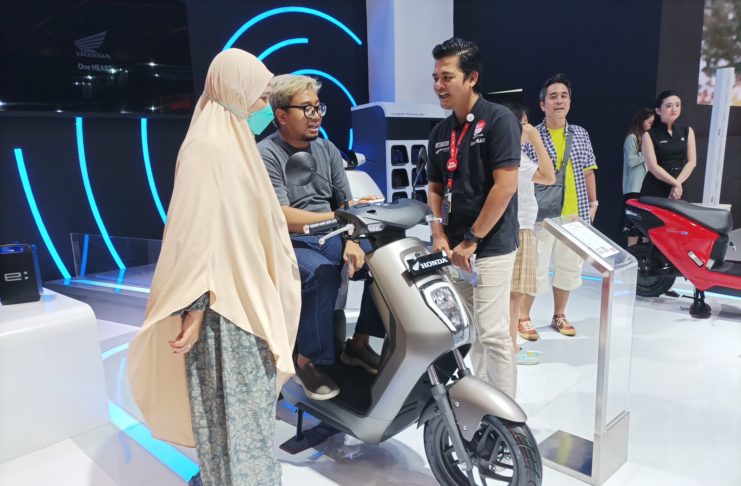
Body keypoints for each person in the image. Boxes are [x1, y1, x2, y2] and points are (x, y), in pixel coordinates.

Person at [126, 49, 301, 486]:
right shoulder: (207, 149)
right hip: (223, 314)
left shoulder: (234, 145)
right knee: (230, 415)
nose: (265, 107)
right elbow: (195, 235)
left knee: (245, 414)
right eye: (260, 96)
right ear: (234, 92)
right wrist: (196, 308)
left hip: (247, 301)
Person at [259, 74, 385, 401]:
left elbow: (344, 202)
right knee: (322, 274)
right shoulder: (267, 153)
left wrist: (353, 237)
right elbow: (283, 216)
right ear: (281, 115)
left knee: (385, 259)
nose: (316, 116)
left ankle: (358, 345)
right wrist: (339, 219)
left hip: (334, 231)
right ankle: (306, 361)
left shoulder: (327, 149)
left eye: (318, 108)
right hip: (291, 240)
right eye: (307, 109)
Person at [427, 37, 521, 398]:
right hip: (454, 247)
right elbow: (435, 188)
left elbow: (505, 186)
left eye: (447, 77)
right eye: (436, 77)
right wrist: (439, 233)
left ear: (472, 78)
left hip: (491, 245)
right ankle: (482, 402)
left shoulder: (499, 120)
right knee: (470, 329)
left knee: (494, 333)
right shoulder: (439, 132)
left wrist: (473, 239)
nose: (439, 85)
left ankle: (506, 417)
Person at [520, 73, 599, 338]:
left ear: (570, 102)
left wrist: (593, 203)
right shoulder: (532, 134)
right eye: (553, 96)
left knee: (569, 268)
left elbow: (589, 170)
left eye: (564, 96)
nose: (559, 101)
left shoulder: (581, 134)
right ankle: (523, 316)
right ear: (542, 104)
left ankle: (560, 315)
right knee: (535, 268)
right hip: (541, 215)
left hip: (574, 215)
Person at [502, 103, 555, 366]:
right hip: (519, 228)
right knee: (515, 294)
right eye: (524, 123)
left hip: (514, 226)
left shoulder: (505, 154)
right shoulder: (517, 158)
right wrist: (535, 138)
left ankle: (508, 345)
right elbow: (549, 176)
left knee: (511, 293)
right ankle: (510, 348)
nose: (528, 128)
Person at [640, 90, 697, 200]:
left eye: (677, 105)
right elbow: (652, 167)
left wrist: (677, 184)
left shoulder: (687, 131)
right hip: (655, 188)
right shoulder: (649, 135)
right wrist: (675, 183)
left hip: (678, 189)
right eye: (669, 106)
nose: (674, 109)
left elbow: (692, 162)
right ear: (658, 110)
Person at [622, 107, 655, 246]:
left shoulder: (650, 139)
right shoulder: (632, 138)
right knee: (633, 224)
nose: (652, 125)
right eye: (650, 122)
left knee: (646, 224)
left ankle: (644, 255)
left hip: (646, 188)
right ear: (642, 122)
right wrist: (647, 153)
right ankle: (631, 252)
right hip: (634, 188)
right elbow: (631, 161)